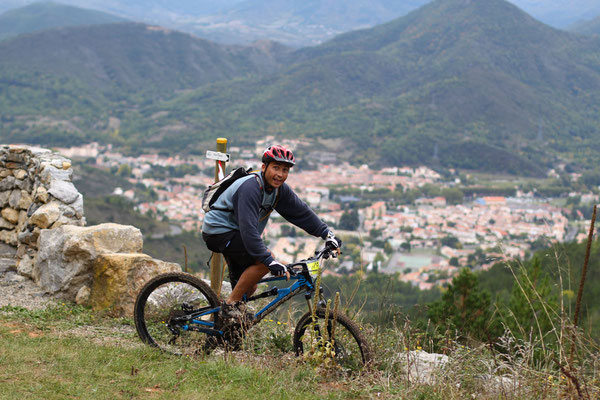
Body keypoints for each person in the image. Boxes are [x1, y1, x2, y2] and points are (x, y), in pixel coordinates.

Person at [202, 144, 340, 322]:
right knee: (264, 262)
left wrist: (327, 234)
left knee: (249, 288)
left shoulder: (278, 190)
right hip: (219, 232)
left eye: (285, 170)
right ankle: (229, 306)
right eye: (276, 168)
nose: (280, 174)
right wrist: (269, 261)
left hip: (239, 236)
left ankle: (223, 328)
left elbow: (301, 212)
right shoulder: (250, 188)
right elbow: (249, 231)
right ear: (264, 167)